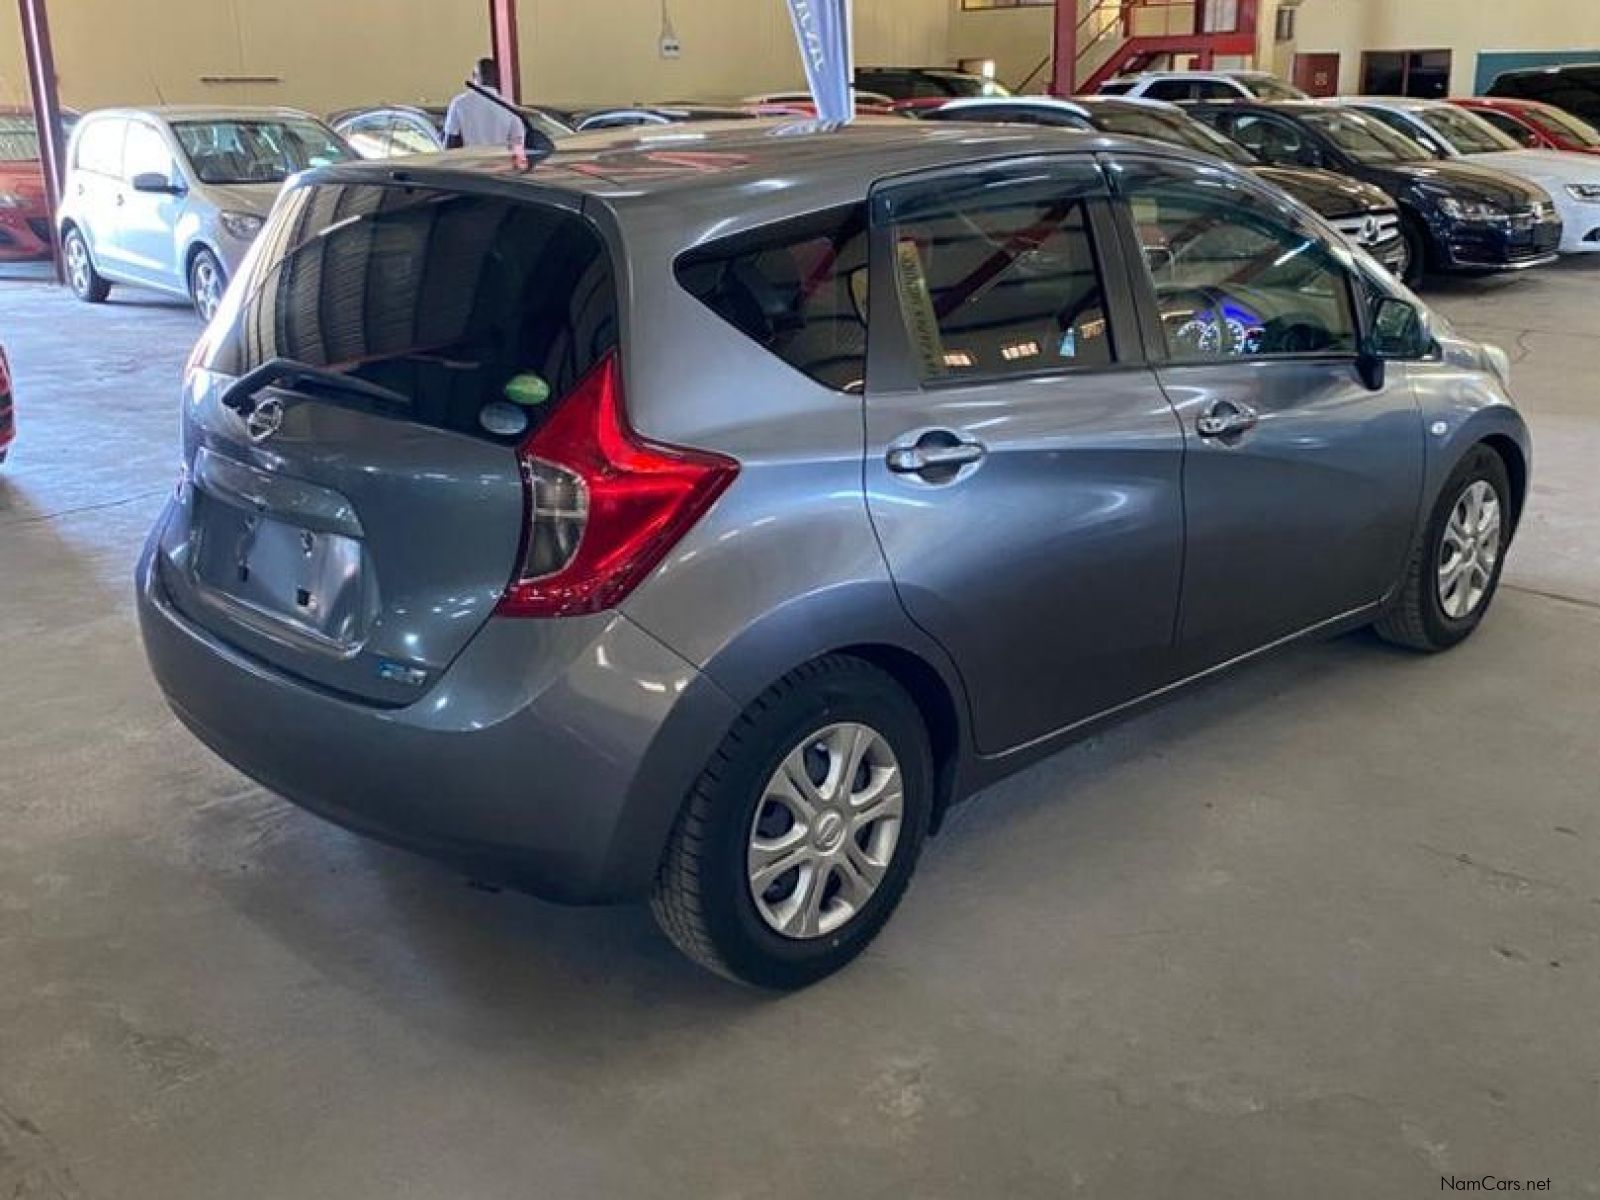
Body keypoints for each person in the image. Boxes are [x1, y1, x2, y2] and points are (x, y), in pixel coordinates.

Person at [443, 58, 525, 151]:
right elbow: (518, 142)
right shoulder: (509, 106)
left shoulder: (459, 103)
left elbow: (450, 143)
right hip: (502, 162)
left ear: (474, 76)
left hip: (471, 162)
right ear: (497, 78)